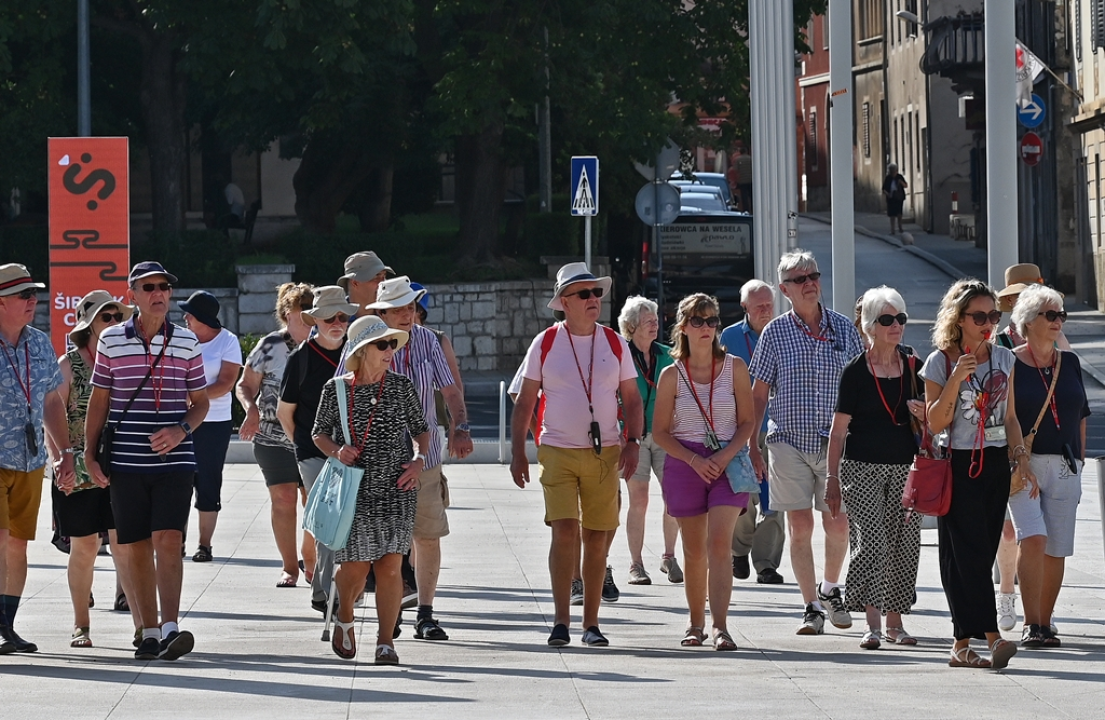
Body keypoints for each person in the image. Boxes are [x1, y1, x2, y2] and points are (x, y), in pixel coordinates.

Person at [510, 262, 642, 647]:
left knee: (598, 537)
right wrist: (519, 452)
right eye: (584, 294)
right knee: (565, 531)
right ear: (563, 302)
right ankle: (561, 621)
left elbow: (632, 399)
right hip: (557, 450)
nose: (593, 300)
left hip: (606, 453)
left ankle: (592, 624)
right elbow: (525, 401)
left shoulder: (615, 342)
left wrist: (633, 441)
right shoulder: (546, 342)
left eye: (596, 293)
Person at [85, 261, 210, 661]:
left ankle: (172, 628)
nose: (159, 294)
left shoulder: (187, 340)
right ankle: (149, 631)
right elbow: (99, 400)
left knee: (169, 539)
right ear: (133, 295)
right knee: (136, 543)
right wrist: (88, 453)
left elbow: (201, 403)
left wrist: (181, 431)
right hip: (126, 459)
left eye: (164, 287)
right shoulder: (111, 340)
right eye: (149, 287)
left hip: (176, 459)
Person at [747, 249, 865, 635]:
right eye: (800, 279)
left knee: (838, 525)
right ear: (785, 289)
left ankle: (830, 589)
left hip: (837, 444)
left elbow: (862, 386)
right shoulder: (775, 333)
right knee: (800, 527)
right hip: (788, 441)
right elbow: (759, 393)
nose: (810, 283)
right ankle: (810, 606)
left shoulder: (844, 329)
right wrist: (752, 445)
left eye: (813, 275)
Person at [920, 278, 1032, 670]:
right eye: (980, 316)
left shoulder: (1004, 358)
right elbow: (935, 422)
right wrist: (956, 377)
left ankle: (960, 643)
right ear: (960, 319)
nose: (989, 323)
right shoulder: (940, 361)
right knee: (967, 552)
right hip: (959, 464)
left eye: (994, 315)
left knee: (976, 553)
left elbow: (1012, 417)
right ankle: (993, 636)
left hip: (996, 462)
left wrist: (1021, 457)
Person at [312, 315, 430, 664]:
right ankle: (344, 617)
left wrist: (420, 459)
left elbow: (422, 430)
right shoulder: (335, 390)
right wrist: (336, 450)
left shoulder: (401, 386)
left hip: (397, 486)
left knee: (391, 566)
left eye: (392, 343)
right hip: (356, 489)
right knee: (356, 567)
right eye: (383, 344)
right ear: (362, 350)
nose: (390, 350)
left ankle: (385, 642)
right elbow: (318, 433)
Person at [366, 276, 474, 641]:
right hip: (378, 461)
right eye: (398, 308)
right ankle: (390, 610)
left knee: (427, 536)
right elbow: (340, 391)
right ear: (381, 312)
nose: (407, 314)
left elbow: (450, 390)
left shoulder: (429, 341)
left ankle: (425, 613)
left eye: (411, 307)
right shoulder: (364, 342)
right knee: (386, 541)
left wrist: (462, 427)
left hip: (424, 457)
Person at [652, 294, 755, 651]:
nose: (707, 327)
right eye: (698, 321)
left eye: (712, 320)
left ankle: (721, 626)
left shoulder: (735, 367)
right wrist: (695, 460)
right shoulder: (671, 374)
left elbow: (747, 421)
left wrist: (726, 455)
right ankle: (695, 623)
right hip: (685, 460)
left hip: (728, 460)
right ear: (683, 327)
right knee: (694, 551)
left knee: (719, 545)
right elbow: (660, 432)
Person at [825, 287, 926, 650]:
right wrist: (832, 479)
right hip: (861, 468)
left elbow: (937, 420)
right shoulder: (855, 372)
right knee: (872, 542)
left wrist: (926, 414)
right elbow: (838, 432)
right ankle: (871, 623)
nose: (896, 325)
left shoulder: (914, 365)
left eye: (900, 318)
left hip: (906, 467)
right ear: (870, 325)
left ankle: (895, 623)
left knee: (904, 543)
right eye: (887, 320)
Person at [47, 291, 139, 648]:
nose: (115, 323)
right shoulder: (68, 365)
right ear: (89, 326)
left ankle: (141, 625)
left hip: (119, 466)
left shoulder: (125, 361)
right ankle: (81, 624)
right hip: (78, 470)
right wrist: (60, 459)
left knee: (125, 546)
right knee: (84, 547)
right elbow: (51, 413)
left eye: (119, 317)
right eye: (107, 318)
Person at [0, 263, 76, 654]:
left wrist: (63, 453)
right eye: (23, 295)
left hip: (29, 461)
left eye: (34, 294)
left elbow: (50, 401)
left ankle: (6, 626)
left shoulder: (40, 344)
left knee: (17, 546)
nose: (33, 300)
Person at [1008, 284, 1089, 648]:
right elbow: (1004, 416)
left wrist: (1081, 461)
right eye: (1050, 315)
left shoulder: (1069, 362)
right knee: (1034, 537)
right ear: (1028, 321)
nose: (1058, 322)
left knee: (1057, 546)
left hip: (1066, 464)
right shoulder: (1009, 361)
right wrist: (1017, 459)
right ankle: (1030, 621)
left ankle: (1044, 621)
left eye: (1061, 315)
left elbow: (1082, 414)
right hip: (1025, 465)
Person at [992, 262, 1070, 632]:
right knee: (1012, 534)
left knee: (1030, 537)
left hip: (1050, 456)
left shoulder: (1053, 334)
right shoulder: (1000, 343)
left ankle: (1035, 613)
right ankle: (1008, 592)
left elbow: (1068, 382)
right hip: (1012, 455)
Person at [277, 286, 356, 613]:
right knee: (330, 517)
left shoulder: (357, 352)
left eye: (342, 316)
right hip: (313, 452)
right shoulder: (301, 358)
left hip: (353, 451)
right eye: (329, 317)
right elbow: (285, 412)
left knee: (345, 521)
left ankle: (335, 585)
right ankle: (325, 590)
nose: (336, 322)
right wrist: (304, 447)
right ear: (316, 320)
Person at [236, 283, 314, 587]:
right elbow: (245, 385)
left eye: (312, 309)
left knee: (314, 501)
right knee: (282, 499)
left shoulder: (329, 344)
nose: (308, 316)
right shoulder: (271, 346)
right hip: (272, 437)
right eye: (302, 310)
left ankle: (312, 559)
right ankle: (289, 567)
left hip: (314, 438)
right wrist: (250, 409)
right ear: (286, 314)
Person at [720, 279, 786, 585]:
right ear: (745, 306)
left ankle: (766, 563)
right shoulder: (730, 338)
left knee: (776, 499)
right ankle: (738, 551)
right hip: (741, 428)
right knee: (744, 495)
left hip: (778, 427)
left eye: (769, 305)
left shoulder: (786, 334)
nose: (765, 311)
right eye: (759, 306)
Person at [617, 296, 680, 586]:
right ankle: (636, 564)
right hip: (633, 437)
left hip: (666, 434)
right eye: (648, 320)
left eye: (655, 319)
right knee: (639, 499)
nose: (655, 323)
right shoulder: (621, 356)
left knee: (673, 497)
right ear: (631, 326)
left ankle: (669, 557)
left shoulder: (670, 355)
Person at [179, 291, 242, 563]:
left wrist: (194, 396)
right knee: (177, 480)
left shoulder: (228, 342)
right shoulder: (181, 339)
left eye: (190, 315)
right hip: (179, 419)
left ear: (202, 319)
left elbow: (227, 382)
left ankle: (204, 545)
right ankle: (175, 541)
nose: (185, 319)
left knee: (208, 481)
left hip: (214, 422)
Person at [338, 251, 393, 317]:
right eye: (376, 276)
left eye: (384, 276)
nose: (383, 283)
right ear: (355, 283)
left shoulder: (392, 315)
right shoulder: (334, 318)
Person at [882, 164, 907, 235]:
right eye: (891, 171)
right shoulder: (888, 178)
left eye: (894, 171)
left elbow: (905, 185)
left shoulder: (899, 177)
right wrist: (888, 194)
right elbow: (884, 189)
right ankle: (892, 229)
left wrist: (901, 182)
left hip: (899, 197)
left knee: (899, 213)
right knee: (892, 215)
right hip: (891, 198)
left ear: (896, 171)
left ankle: (900, 228)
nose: (893, 173)